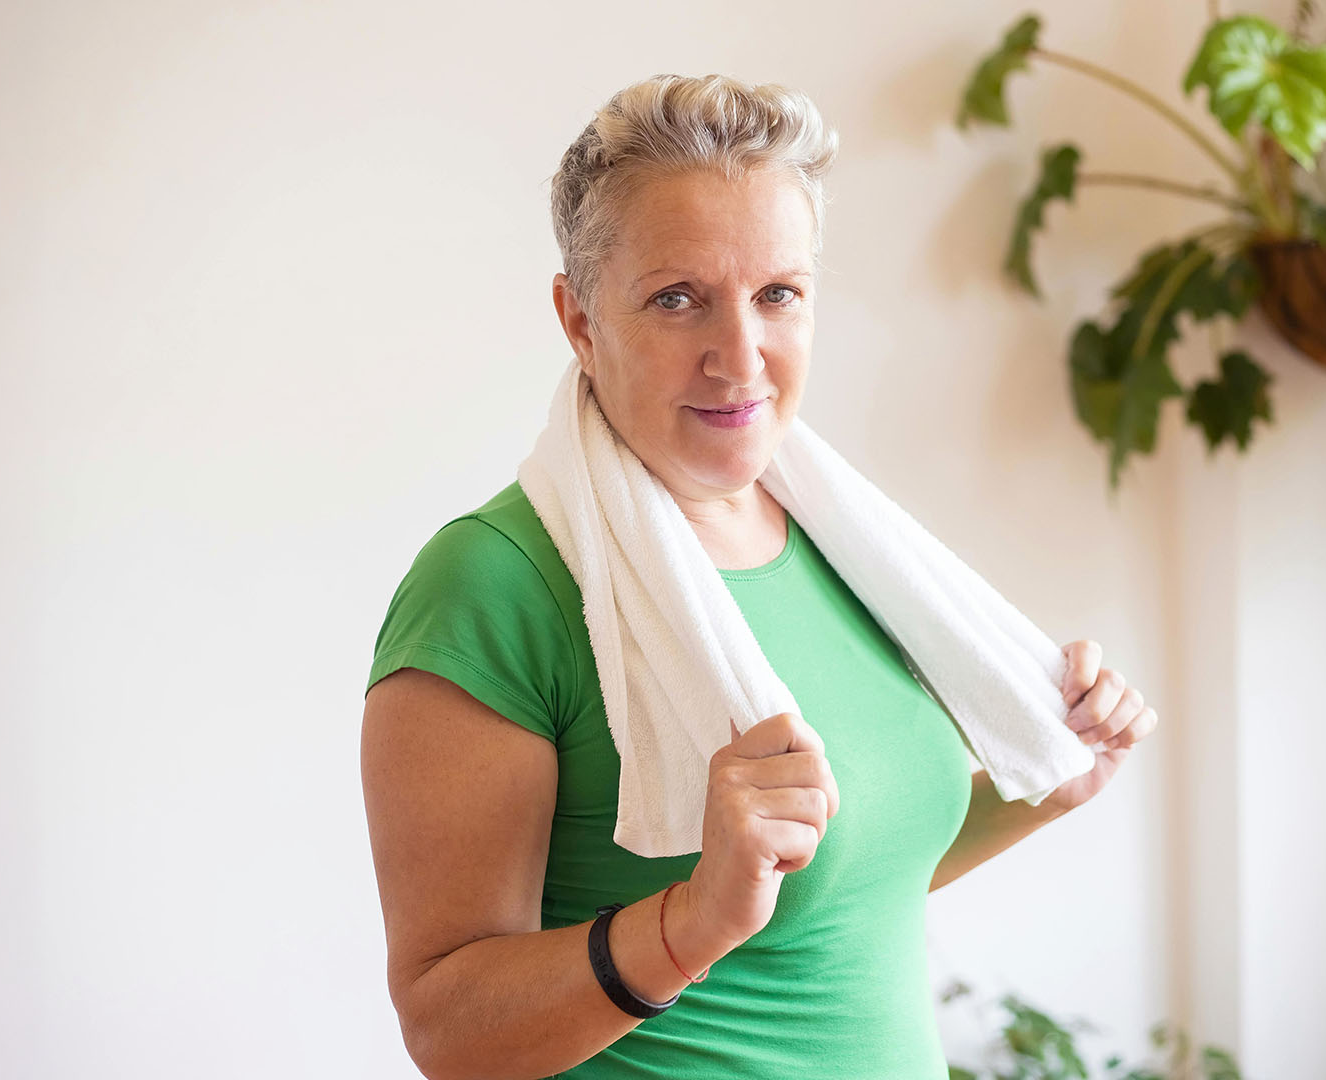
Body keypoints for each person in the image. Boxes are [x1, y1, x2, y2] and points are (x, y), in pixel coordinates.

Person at [359, 72, 1159, 1080]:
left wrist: (1047, 786)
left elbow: (839, 884)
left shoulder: (837, 543)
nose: (739, 358)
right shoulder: (494, 583)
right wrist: (691, 922)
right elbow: (448, 1027)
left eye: (777, 293)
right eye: (678, 298)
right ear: (579, 319)